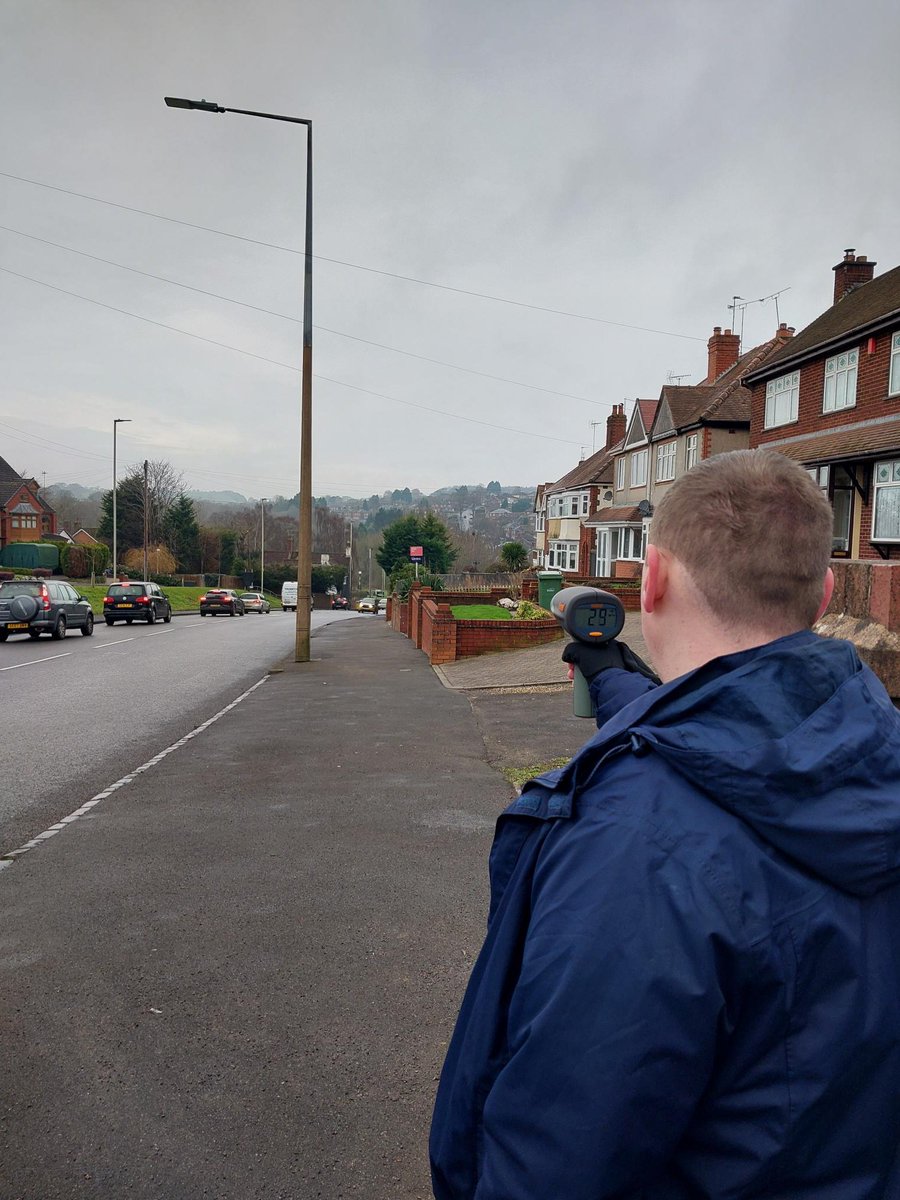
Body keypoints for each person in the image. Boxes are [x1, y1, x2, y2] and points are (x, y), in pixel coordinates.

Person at [430, 449, 900, 1199]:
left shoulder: (634, 846)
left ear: (650, 579)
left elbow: (555, 1162)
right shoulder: (874, 758)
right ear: (826, 593)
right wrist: (629, 692)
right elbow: (754, 746)